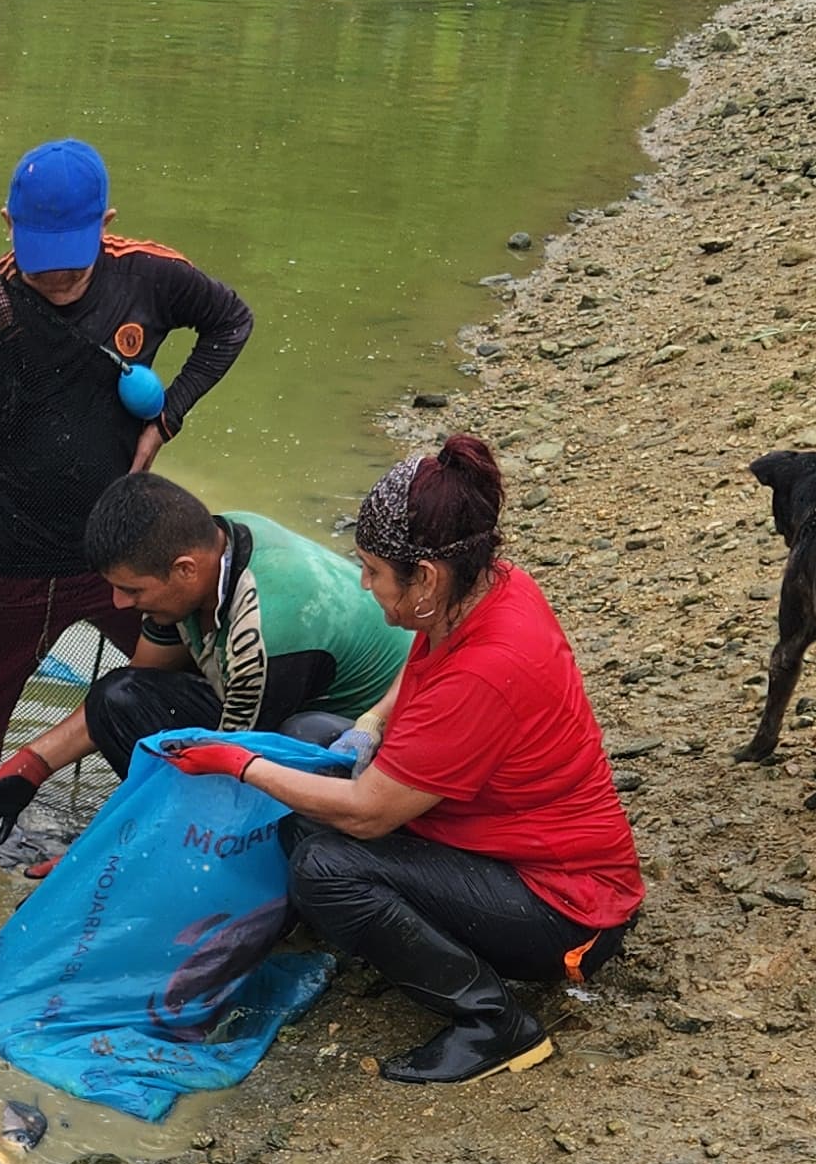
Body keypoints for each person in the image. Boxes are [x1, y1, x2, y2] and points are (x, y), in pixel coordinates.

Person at [161, 435, 645, 1085]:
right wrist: (371, 722)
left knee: (325, 866)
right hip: (496, 845)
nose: (363, 583)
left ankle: (495, 1023)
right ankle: (375, 932)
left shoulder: (487, 669)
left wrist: (238, 763)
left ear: (427, 576)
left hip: (565, 908)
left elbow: (367, 815)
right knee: (310, 736)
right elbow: (423, 663)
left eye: (372, 571)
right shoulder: (489, 587)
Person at [0, 138, 258, 811]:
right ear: (10, 226)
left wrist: (167, 418)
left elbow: (231, 321)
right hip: (1, 548)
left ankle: (181, 811)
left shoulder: (150, 275)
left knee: (194, 687)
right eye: (43, 264)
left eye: (73, 264)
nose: (58, 280)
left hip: (121, 551)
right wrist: (2, 329)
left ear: (105, 225)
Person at [0, 470, 416, 845]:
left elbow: (224, 779)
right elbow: (131, 689)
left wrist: (104, 854)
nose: (118, 603)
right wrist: (31, 766)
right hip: (281, 699)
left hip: (367, 756)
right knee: (118, 697)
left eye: (131, 590)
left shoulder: (263, 634)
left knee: (224, 788)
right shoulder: (211, 546)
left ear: (184, 570)